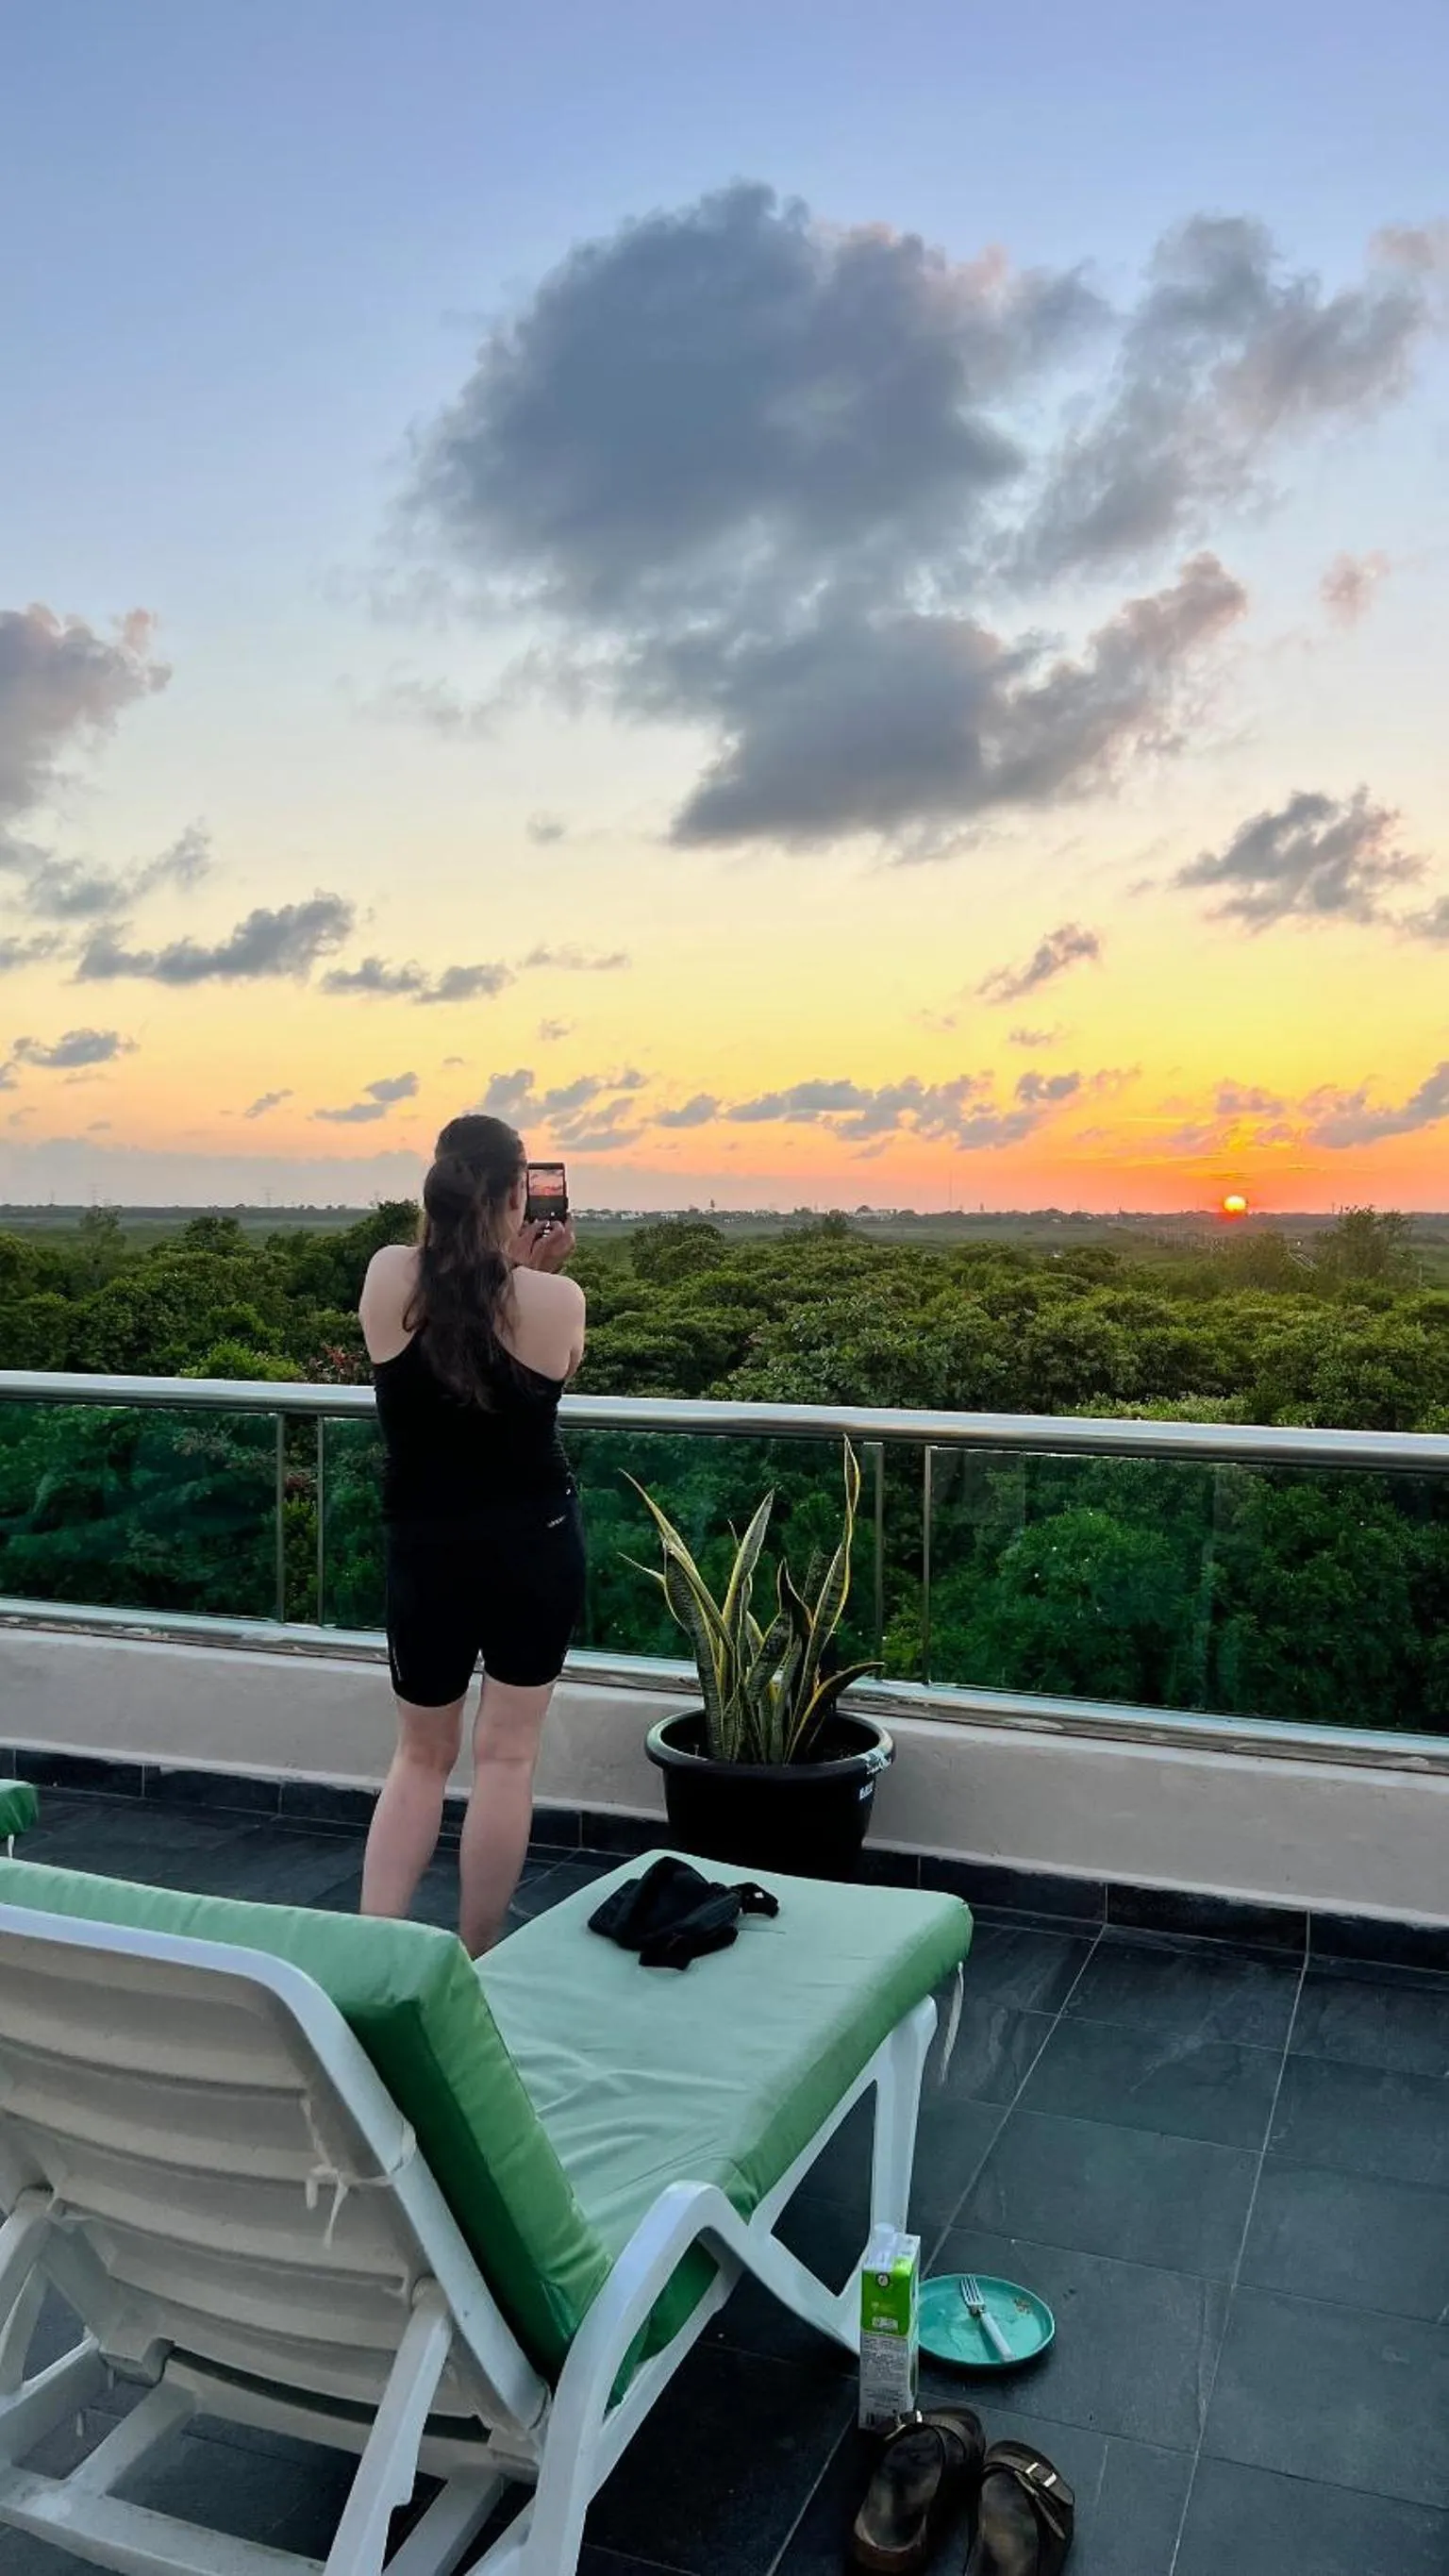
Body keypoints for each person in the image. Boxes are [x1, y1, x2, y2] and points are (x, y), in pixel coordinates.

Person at [357, 1113, 586, 1953]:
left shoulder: (388, 1277)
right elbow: (551, 1365)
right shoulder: (557, 1298)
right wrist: (529, 1274)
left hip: (425, 1545)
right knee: (506, 1759)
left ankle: (371, 1953)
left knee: (420, 1758)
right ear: (518, 1190)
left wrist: (505, 1275)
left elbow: (456, 1327)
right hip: (534, 1542)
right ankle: (479, 1954)